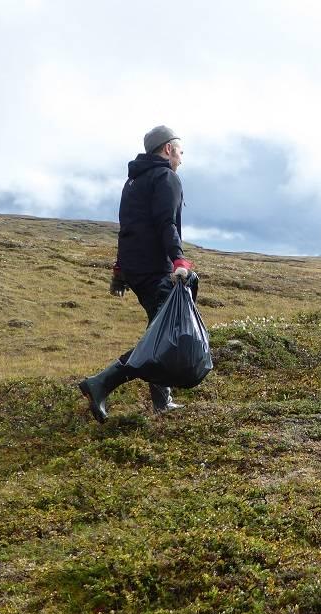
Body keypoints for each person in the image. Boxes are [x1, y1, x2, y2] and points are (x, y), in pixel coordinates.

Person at [79, 125, 195, 423]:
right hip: (157, 271)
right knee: (162, 339)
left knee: (159, 332)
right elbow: (166, 223)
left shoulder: (132, 182)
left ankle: (162, 400)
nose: (182, 158)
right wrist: (179, 261)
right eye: (180, 151)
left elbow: (128, 229)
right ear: (168, 149)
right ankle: (101, 383)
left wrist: (120, 270)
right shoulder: (166, 177)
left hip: (136, 270)